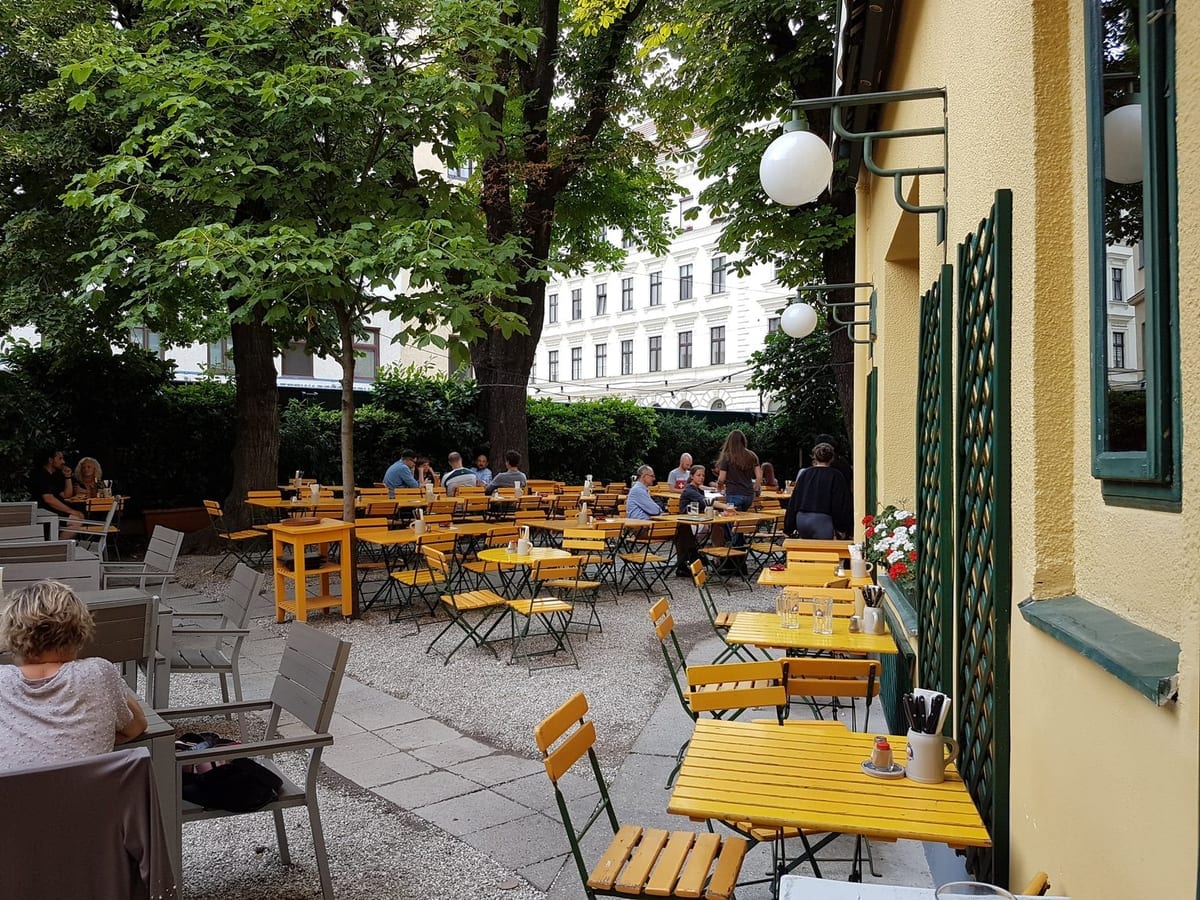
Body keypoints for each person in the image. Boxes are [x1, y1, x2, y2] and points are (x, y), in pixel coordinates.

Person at [0, 581, 148, 772]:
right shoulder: (98, 672)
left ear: (11, 635)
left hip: (12, 791)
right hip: (90, 790)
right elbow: (137, 725)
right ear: (79, 632)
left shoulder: (3, 680)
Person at [785, 442, 853, 539]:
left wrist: (788, 527)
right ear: (832, 458)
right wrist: (842, 527)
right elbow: (840, 503)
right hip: (823, 520)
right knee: (824, 548)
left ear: (814, 457)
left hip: (802, 519)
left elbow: (795, 500)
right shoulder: (836, 476)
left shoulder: (805, 474)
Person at [674, 464, 711, 575]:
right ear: (692, 476)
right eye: (698, 475)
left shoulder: (699, 490)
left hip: (696, 522)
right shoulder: (689, 490)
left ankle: (698, 556)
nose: (701, 477)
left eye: (703, 475)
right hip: (687, 523)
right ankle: (695, 556)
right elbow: (704, 502)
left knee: (716, 527)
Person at [30, 449, 83, 523]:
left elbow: (66, 495)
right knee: (76, 520)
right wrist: (71, 511)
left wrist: (68, 476)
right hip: (43, 512)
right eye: (60, 459)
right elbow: (49, 499)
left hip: (53, 511)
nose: (63, 462)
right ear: (50, 460)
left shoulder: (55, 476)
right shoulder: (41, 475)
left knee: (80, 515)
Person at [716, 429, 761, 512]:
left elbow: (721, 479)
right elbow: (759, 476)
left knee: (733, 518)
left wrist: (720, 488)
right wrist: (755, 489)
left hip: (733, 493)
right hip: (749, 495)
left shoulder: (727, 457)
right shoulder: (752, 455)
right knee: (742, 518)